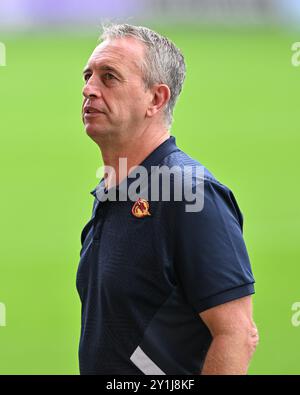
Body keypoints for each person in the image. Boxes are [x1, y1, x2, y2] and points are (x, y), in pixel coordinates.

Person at [76, 23, 259, 375]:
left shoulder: (190, 193)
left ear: (156, 99)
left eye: (109, 77)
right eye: (88, 75)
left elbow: (237, 334)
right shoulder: (115, 192)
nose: (88, 89)